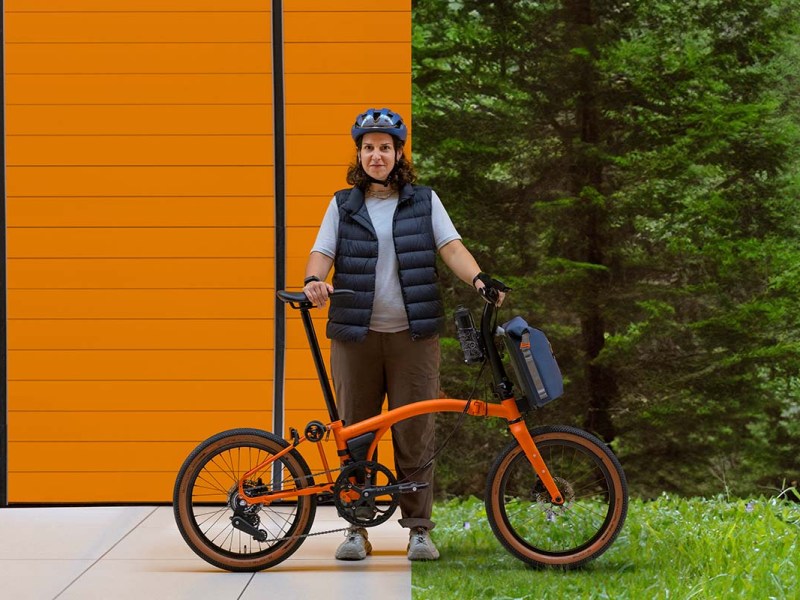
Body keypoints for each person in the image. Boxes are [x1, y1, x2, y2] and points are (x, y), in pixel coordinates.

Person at [302, 107, 504, 562]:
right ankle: (356, 527)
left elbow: (451, 247)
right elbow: (321, 253)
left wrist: (479, 280)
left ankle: (418, 529)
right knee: (356, 432)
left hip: (414, 336)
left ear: (398, 154)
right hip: (356, 336)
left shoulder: (424, 202)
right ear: (360, 154)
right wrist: (314, 281)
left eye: (385, 148)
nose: (377, 155)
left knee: (415, 430)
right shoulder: (342, 204)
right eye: (369, 147)